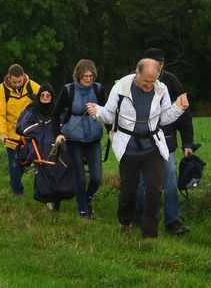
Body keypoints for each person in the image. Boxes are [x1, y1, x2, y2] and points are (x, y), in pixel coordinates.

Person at [86, 58, 189, 238]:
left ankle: (150, 234)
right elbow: (109, 115)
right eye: (145, 82)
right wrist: (97, 112)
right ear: (137, 73)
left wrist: (178, 108)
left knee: (154, 190)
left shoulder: (161, 89)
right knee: (129, 191)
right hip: (129, 148)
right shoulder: (120, 88)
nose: (149, 86)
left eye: (152, 81)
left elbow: (164, 118)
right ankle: (125, 222)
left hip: (153, 147)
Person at [134, 48, 195, 235]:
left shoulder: (171, 81)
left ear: (162, 66)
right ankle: (139, 218)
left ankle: (172, 221)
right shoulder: (132, 81)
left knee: (170, 181)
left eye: (159, 67)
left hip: (166, 142)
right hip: (142, 142)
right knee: (143, 183)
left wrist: (188, 143)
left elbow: (183, 112)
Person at [53, 59, 107, 218]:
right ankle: (83, 210)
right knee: (80, 177)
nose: (88, 79)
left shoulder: (98, 89)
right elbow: (55, 114)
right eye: (85, 76)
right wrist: (58, 133)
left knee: (96, 177)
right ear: (78, 76)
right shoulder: (68, 90)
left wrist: (112, 131)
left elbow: (106, 112)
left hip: (94, 137)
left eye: (91, 76)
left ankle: (88, 198)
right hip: (73, 138)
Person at [17, 82, 74, 210]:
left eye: (48, 95)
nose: (45, 97)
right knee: (47, 152)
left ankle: (63, 190)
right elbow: (23, 127)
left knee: (64, 153)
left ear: (52, 96)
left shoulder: (58, 109)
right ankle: (47, 194)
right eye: (42, 95)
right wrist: (42, 130)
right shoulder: (32, 110)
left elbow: (64, 122)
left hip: (58, 138)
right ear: (39, 97)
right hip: (40, 142)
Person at [0, 64, 40, 197]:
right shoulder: (2, 91)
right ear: (9, 78)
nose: (18, 84)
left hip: (29, 134)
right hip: (11, 134)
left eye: (20, 81)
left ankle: (14, 183)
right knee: (14, 163)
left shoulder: (33, 87)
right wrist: (2, 133)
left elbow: (44, 103)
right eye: (14, 82)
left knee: (23, 164)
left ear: (24, 76)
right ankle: (18, 191)